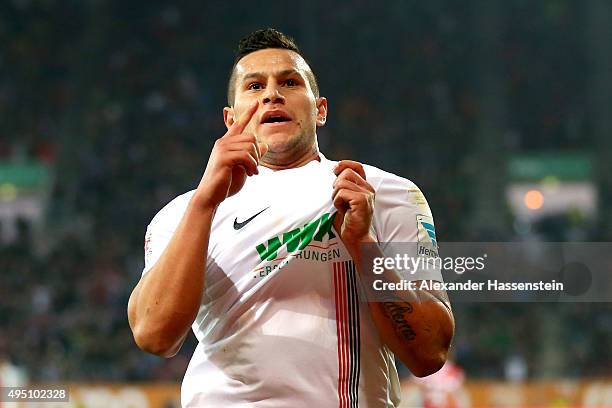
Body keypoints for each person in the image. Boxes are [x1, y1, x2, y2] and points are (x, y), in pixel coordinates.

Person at [128, 28, 454, 407]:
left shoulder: (381, 192)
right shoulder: (181, 214)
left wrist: (363, 245)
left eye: (289, 82)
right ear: (230, 118)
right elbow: (154, 336)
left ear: (320, 110)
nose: (271, 94)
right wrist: (204, 203)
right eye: (254, 86)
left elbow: (430, 351)